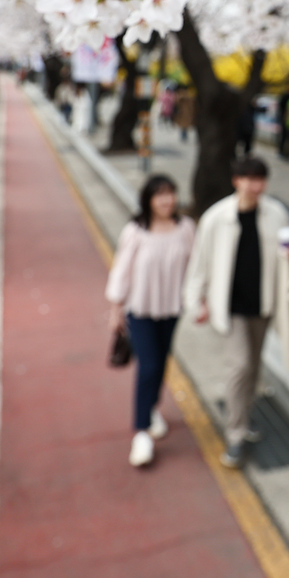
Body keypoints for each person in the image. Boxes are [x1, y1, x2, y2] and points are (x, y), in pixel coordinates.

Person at [183, 157, 289, 468]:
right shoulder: (216, 217)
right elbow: (200, 262)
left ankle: (244, 415)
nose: (255, 186)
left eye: (260, 179)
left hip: (263, 304)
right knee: (240, 366)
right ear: (236, 181)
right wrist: (195, 301)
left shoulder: (276, 213)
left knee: (254, 366)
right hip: (230, 306)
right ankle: (235, 435)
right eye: (249, 179)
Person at [106, 175, 196, 466]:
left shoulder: (186, 228)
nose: (167, 200)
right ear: (148, 200)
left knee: (162, 361)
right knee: (149, 366)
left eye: (170, 194)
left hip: (171, 309)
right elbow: (122, 271)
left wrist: (200, 300)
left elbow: (195, 267)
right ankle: (141, 432)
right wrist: (116, 309)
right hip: (140, 310)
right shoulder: (136, 231)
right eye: (160, 195)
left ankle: (152, 407)